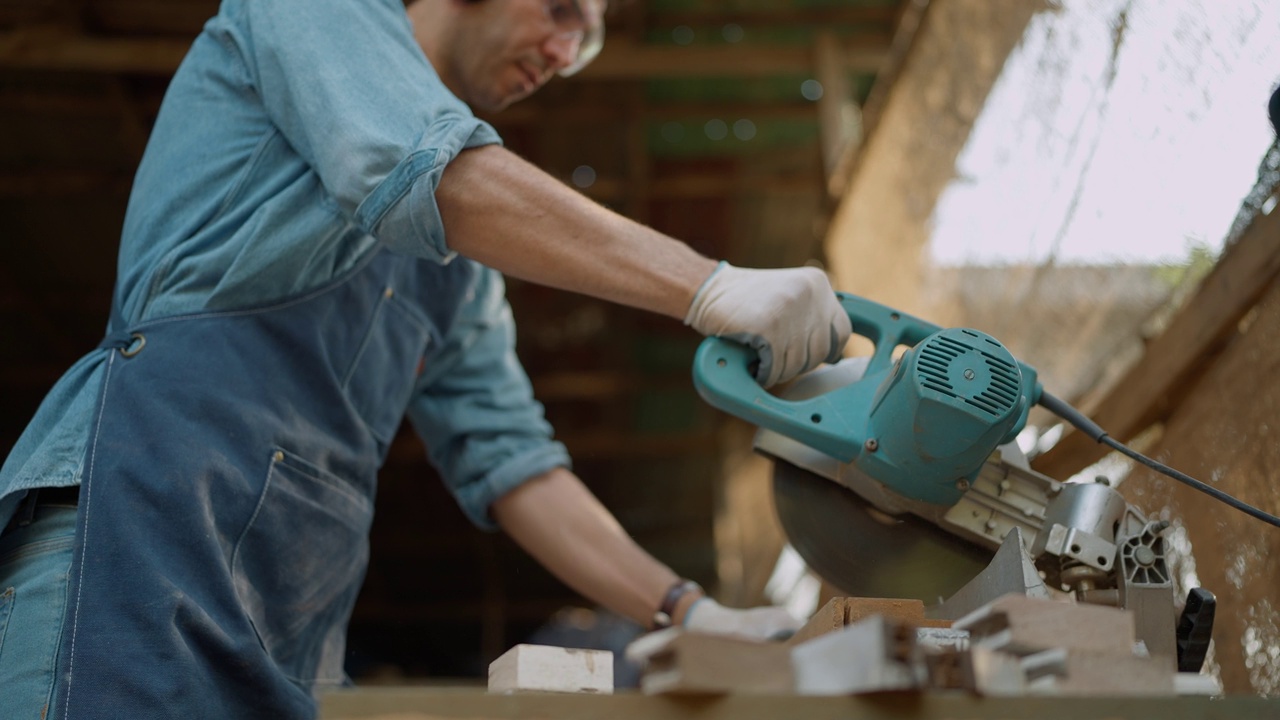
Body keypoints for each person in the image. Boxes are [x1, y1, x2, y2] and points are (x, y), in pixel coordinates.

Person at [0, 0, 852, 717]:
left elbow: (513, 461)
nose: (566, 53)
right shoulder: (312, 13)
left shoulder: (458, 269)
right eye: (561, 11)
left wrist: (688, 609)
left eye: (587, 42)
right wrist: (707, 286)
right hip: (139, 527)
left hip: (289, 602)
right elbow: (423, 168)